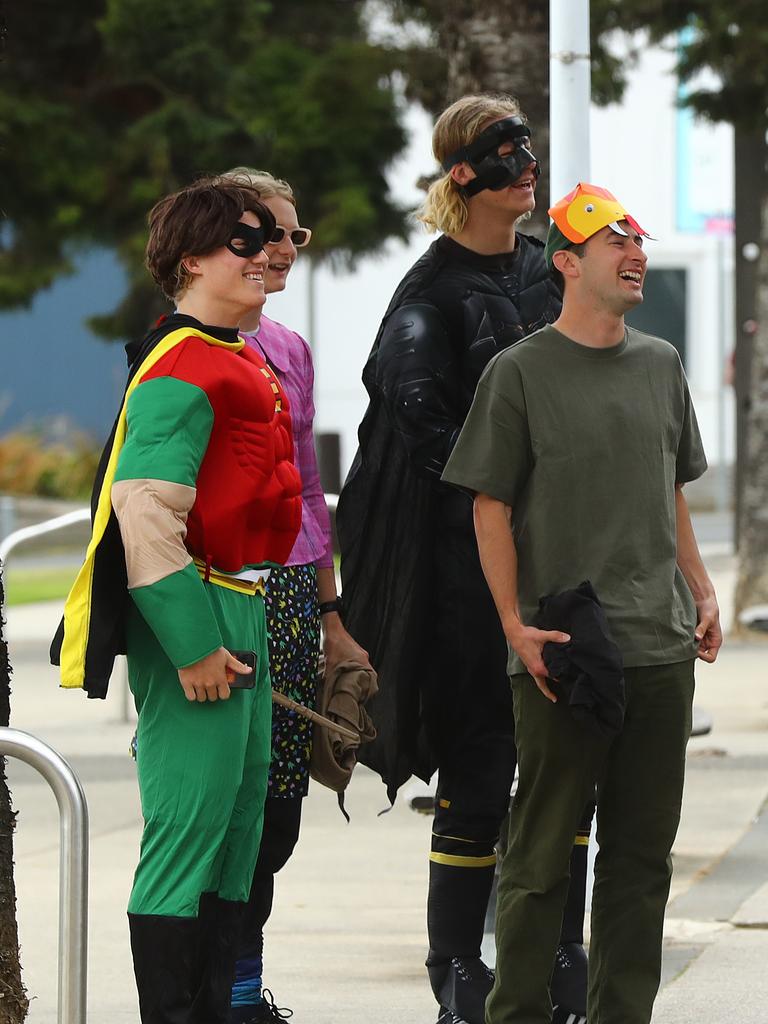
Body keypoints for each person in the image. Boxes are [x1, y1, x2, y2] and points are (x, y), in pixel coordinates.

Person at [336, 94, 593, 1024]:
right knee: (481, 773)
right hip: (464, 577)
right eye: (508, 157)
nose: (528, 169)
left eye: (530, 154)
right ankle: (458, 971)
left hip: (567, 563)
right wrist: (512, 498)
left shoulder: (547, 271)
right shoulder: (430, 299)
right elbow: (418, 429)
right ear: (464, 174)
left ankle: (565, 956)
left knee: (568, 769)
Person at [442, 182, 722, 1024]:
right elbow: (487, 504)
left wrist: (701, 591)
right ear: (567, 261)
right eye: (614, 243)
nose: (634, 254)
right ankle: (517, 1013)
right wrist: (513, 627)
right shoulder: (519, 372)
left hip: (660, 648)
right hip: (562, 646)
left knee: (642, 859)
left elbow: (668, 489)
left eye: (637, 241)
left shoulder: (661, 363)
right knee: (538, 856)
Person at [51, 177, 303, 1024]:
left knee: (237, 838)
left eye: (272, 236)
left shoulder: (237, 354)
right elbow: (144, 513)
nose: (266, 251)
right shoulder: (184, 362)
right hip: (200, 612)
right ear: (190, 260)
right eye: (244, 239)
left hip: (246, 605)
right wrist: (194, 643)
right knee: (189, 835)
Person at [221, 168, 370, 1024]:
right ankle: (216, 997)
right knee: (223, 808)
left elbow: (311, 492)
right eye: (265, 233)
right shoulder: (189, 348)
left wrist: (331, 615)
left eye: (292, 235)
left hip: (287, 595)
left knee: (277, 814)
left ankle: (245, 991)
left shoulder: (289, 349)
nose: (282, 249)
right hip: (223, 591)